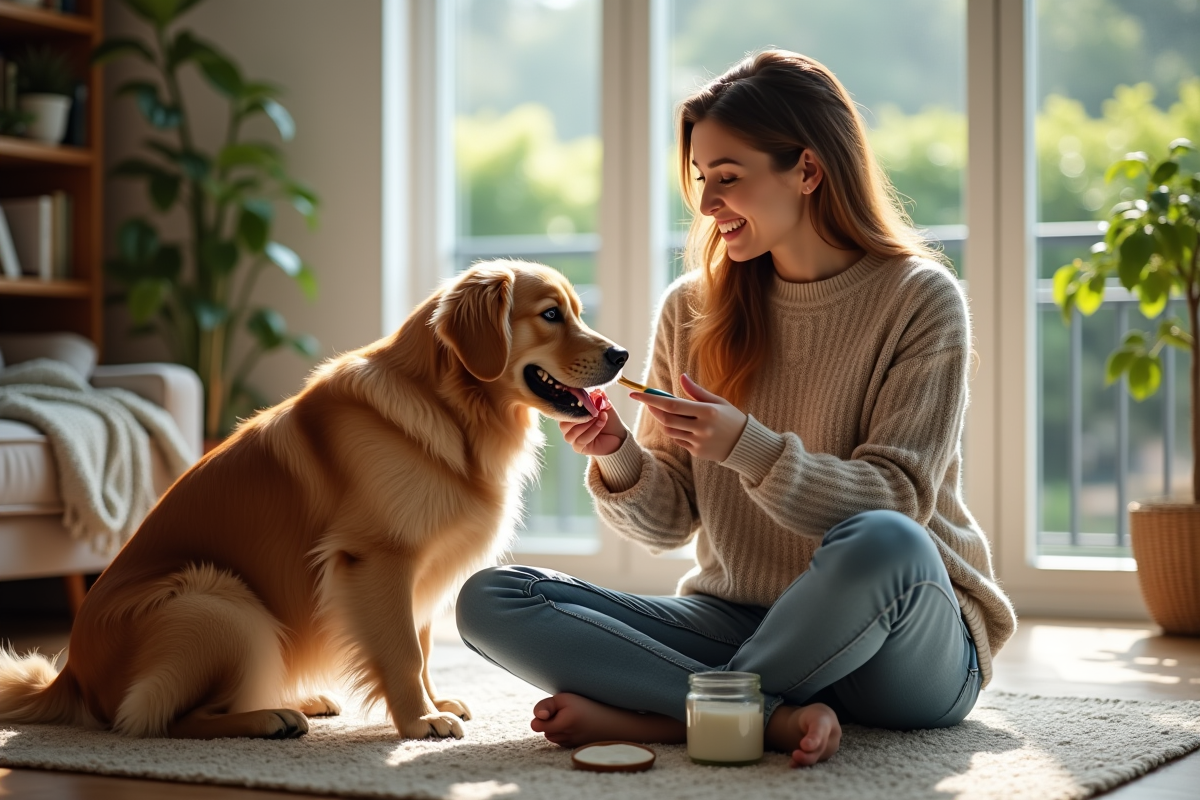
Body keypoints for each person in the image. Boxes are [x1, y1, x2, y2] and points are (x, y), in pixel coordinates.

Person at [456, 49, 1016, 767]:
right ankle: (764, 709)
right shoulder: (690, 309)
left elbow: (898, 501)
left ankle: (680, 714)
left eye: (728, 178)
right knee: (493, 598)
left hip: (901, 645)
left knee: (885, 541)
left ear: (808, 171)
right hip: (739, 621)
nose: (708, 202)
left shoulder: (919, 299)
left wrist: (746, 447)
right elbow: (668, 522)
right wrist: (621, 455)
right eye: (699, 180)